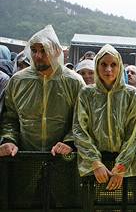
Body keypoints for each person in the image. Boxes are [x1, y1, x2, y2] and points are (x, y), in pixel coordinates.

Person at [0, 25, 84, 206]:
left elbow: (81, 121)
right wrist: (9, 140)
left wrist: (69, 142)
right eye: (34, 50)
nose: (37, 56)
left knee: (62, 204)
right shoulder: (19, 81)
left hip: (63, 162)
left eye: (43, 50)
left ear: (56, 51)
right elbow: (10, 117)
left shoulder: (73, 81)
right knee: (24, 204)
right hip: (24, 160)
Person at [73, 44, 136, 190]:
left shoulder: (131, 94)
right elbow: (79, 129)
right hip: (92, 167)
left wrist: (121, 166)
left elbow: (133, 133)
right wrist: (95, 162)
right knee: (91, 204)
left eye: (113, 64)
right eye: (103, 64)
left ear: (120, 66)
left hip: (123, 168)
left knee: (122, 204)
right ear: (97, 66)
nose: (108, 69)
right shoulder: (86, 93)